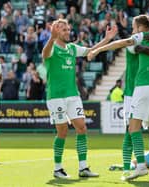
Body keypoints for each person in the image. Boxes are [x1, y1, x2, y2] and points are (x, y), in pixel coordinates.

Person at [88, 15, 149, 181]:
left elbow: (121, 44)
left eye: (134, 27)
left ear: (141, 28)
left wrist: (98, 49)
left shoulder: (139, 38)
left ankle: (140, 167)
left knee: (132, 129)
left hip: (139, 89)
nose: (132, 30)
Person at [41, 18, 117, 179]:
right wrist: (51, 38)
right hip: (56, 96)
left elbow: (90, 50)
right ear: (56, 31)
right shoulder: (52, 47)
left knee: (82, 127)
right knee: (62, 131)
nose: (67, 32)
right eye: (63, 29)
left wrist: (106, 39)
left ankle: (83, 167)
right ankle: (57, 168)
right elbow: (45, 54)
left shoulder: (72, 48)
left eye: (68, 29)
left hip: (72, 94)